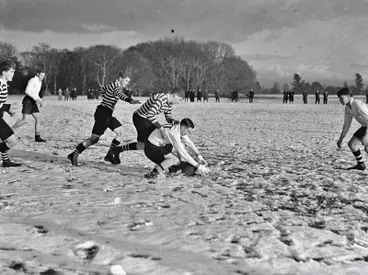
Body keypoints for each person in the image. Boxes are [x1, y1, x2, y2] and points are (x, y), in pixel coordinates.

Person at [67, 71, 141, 166]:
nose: (127, 83)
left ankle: (110, 155)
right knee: (94, 139)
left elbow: (103, 90)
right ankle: (74, 154)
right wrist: (130, 100)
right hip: (103, 113)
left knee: (121, 132)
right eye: (126, 81)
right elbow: (120, 95)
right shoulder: (116, 87)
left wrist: (107, 97)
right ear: (120, 78)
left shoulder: (111, 85)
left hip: (106, 113)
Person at [111, 87, 182, 160]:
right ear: (174, 95)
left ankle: (117, 150)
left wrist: (172, 120)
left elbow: (167, 116)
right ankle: (117, 150)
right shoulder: (161, 99)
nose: (179, 102)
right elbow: (150, 115)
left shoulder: (169, 103)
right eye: (179, 99)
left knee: (147, 143)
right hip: (140, 118)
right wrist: (161, 128)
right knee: (147, 143)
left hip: (146, 119)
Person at [143, 118, 210, 179]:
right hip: (150, 148)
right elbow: (183, 153)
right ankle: (153, 174)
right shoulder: (174, 132)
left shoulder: (179, 128)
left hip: (157, 145)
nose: (188, 134)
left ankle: (170, 171)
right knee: (174, 159)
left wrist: (198, 154)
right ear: (183, 127)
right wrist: (199, 166)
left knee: (179, 157)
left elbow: (189, 143)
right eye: (188, 132)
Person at [336, 87, 368, 170]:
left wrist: (366, 135)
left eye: (342, 98)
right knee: (352, 144)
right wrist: (341, 139)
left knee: (367, 147)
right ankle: (360, 165)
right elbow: (347, 125)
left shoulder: (358, 105)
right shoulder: (347, 107)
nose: (340, 100)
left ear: (349, 96)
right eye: (339, 98)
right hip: (365, 125)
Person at [12, 69, 47, 142]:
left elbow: (36, 93)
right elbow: (27, 91)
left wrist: (39, 100)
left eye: (43, 76)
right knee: (24, 120)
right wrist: (36, 98)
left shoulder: (39, 82)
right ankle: (8, 132)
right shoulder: (32, 80)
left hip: (33, 102)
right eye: (41, 75)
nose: (42, 77)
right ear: (37, 74)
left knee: (38, 119)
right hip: (27, 101)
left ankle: (37, 137)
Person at [0, 59, 21, 167]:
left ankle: (6, 161)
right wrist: (7, 107)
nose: (13, 74)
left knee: (7, 140)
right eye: (11, 71)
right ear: (4, 72)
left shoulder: (3, 83)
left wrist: (7, 109)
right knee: (12, 141)